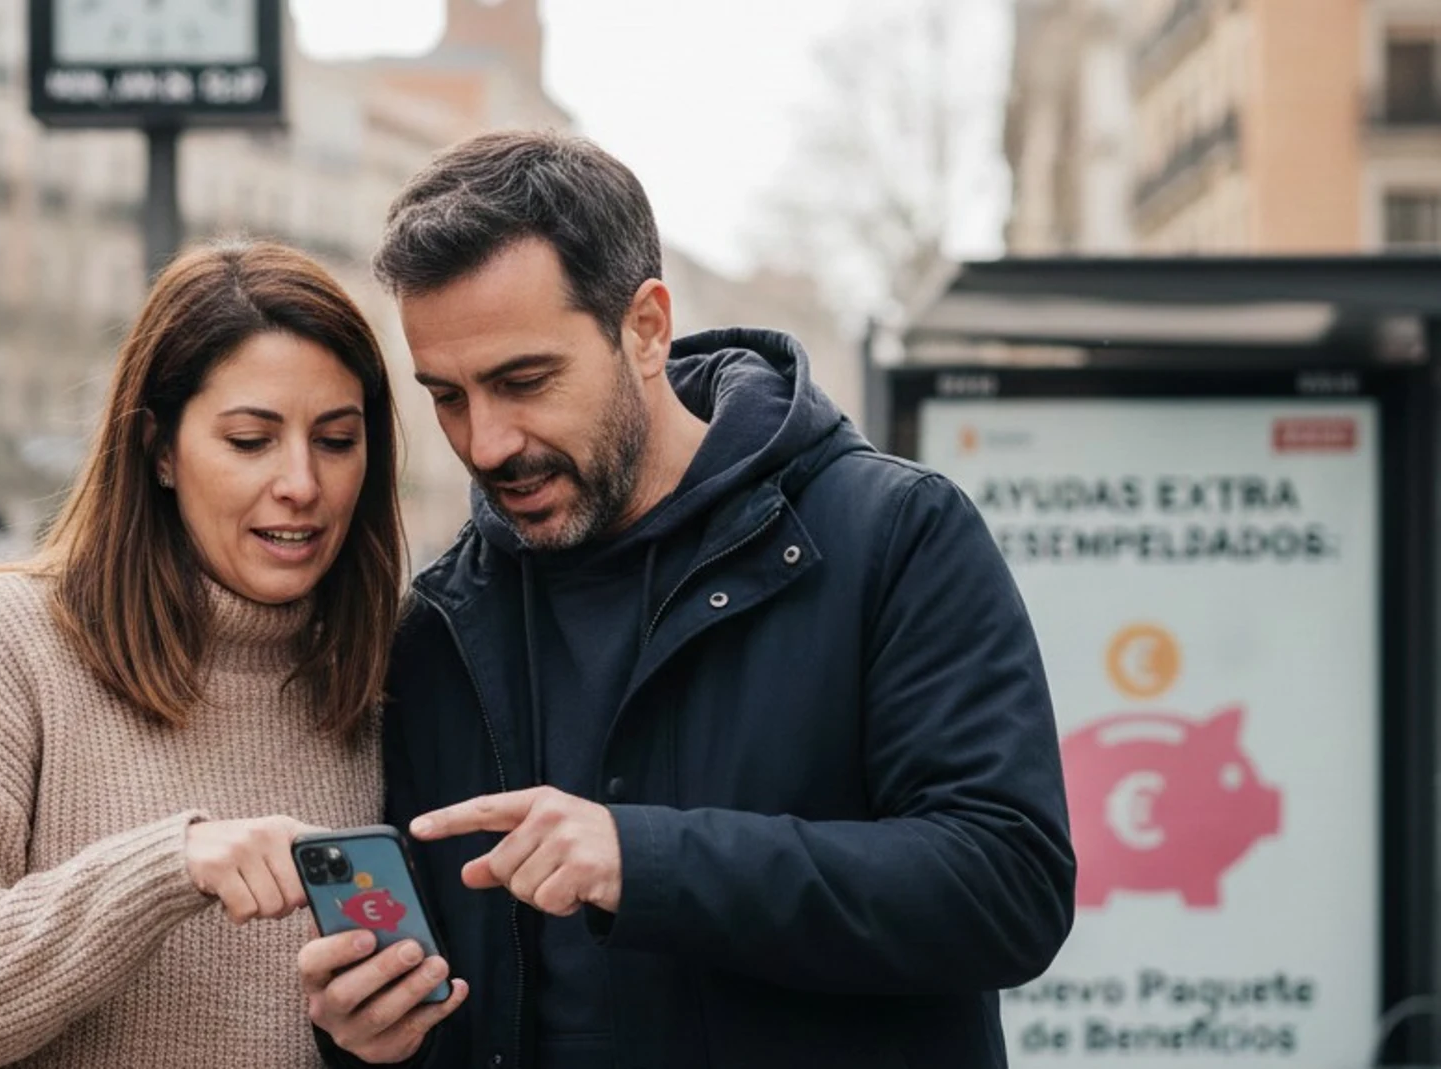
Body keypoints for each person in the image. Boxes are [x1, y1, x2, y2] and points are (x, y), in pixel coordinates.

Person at [300, 130, 1076, 1068]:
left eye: (524, 381)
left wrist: (645, 860)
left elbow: (1007, 887)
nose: (488, 440)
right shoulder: (439, 628)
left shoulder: (894, 535)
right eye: (448, 396)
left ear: (647, 328)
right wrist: (365, 1039)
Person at [0, 240, 428, 1069]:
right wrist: (162, 868)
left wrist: (380, 1042)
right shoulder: (5, 640)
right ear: (158, 449)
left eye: (336, 439)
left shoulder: (400, 664)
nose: (303, 482)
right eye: (251, 439)